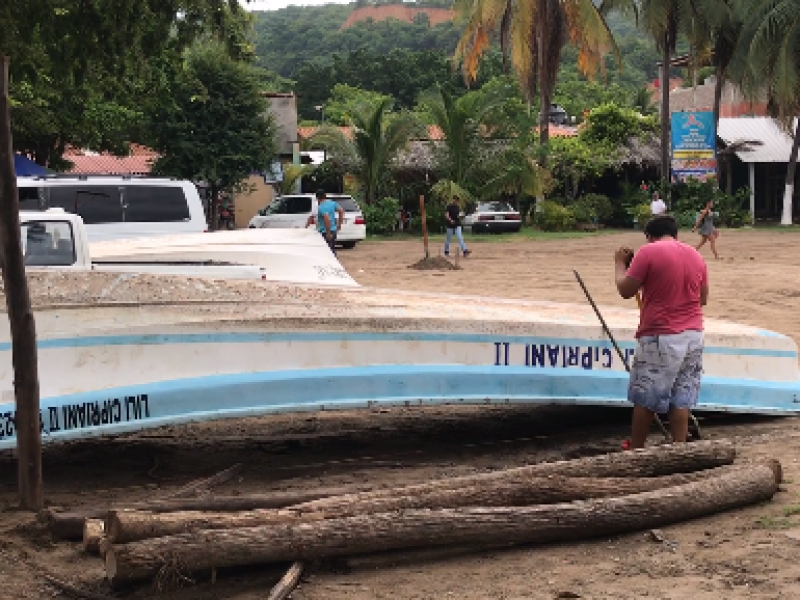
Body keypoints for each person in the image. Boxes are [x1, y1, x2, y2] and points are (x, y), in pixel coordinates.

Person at [614, 214, 709, 448]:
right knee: (681, 397)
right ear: (676, 234)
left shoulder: (649, 252)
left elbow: (626, 290)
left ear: (649, 236)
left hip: (662, 334)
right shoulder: (696, 255)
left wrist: (619, 264)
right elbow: (703, 298)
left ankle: (637, 449)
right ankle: (679, 448)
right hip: (694, 334)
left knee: (646, 396)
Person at [306, 190, 344, 255]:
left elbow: (327, 219)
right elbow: (341, 211)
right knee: (332, 250)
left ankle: (331, 264)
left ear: (317, 198)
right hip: (333, 230)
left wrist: (328, 232)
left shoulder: (321, 207)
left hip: (325, 232)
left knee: (327, 252)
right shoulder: (332, 203)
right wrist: (339, 224)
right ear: (325, 196)